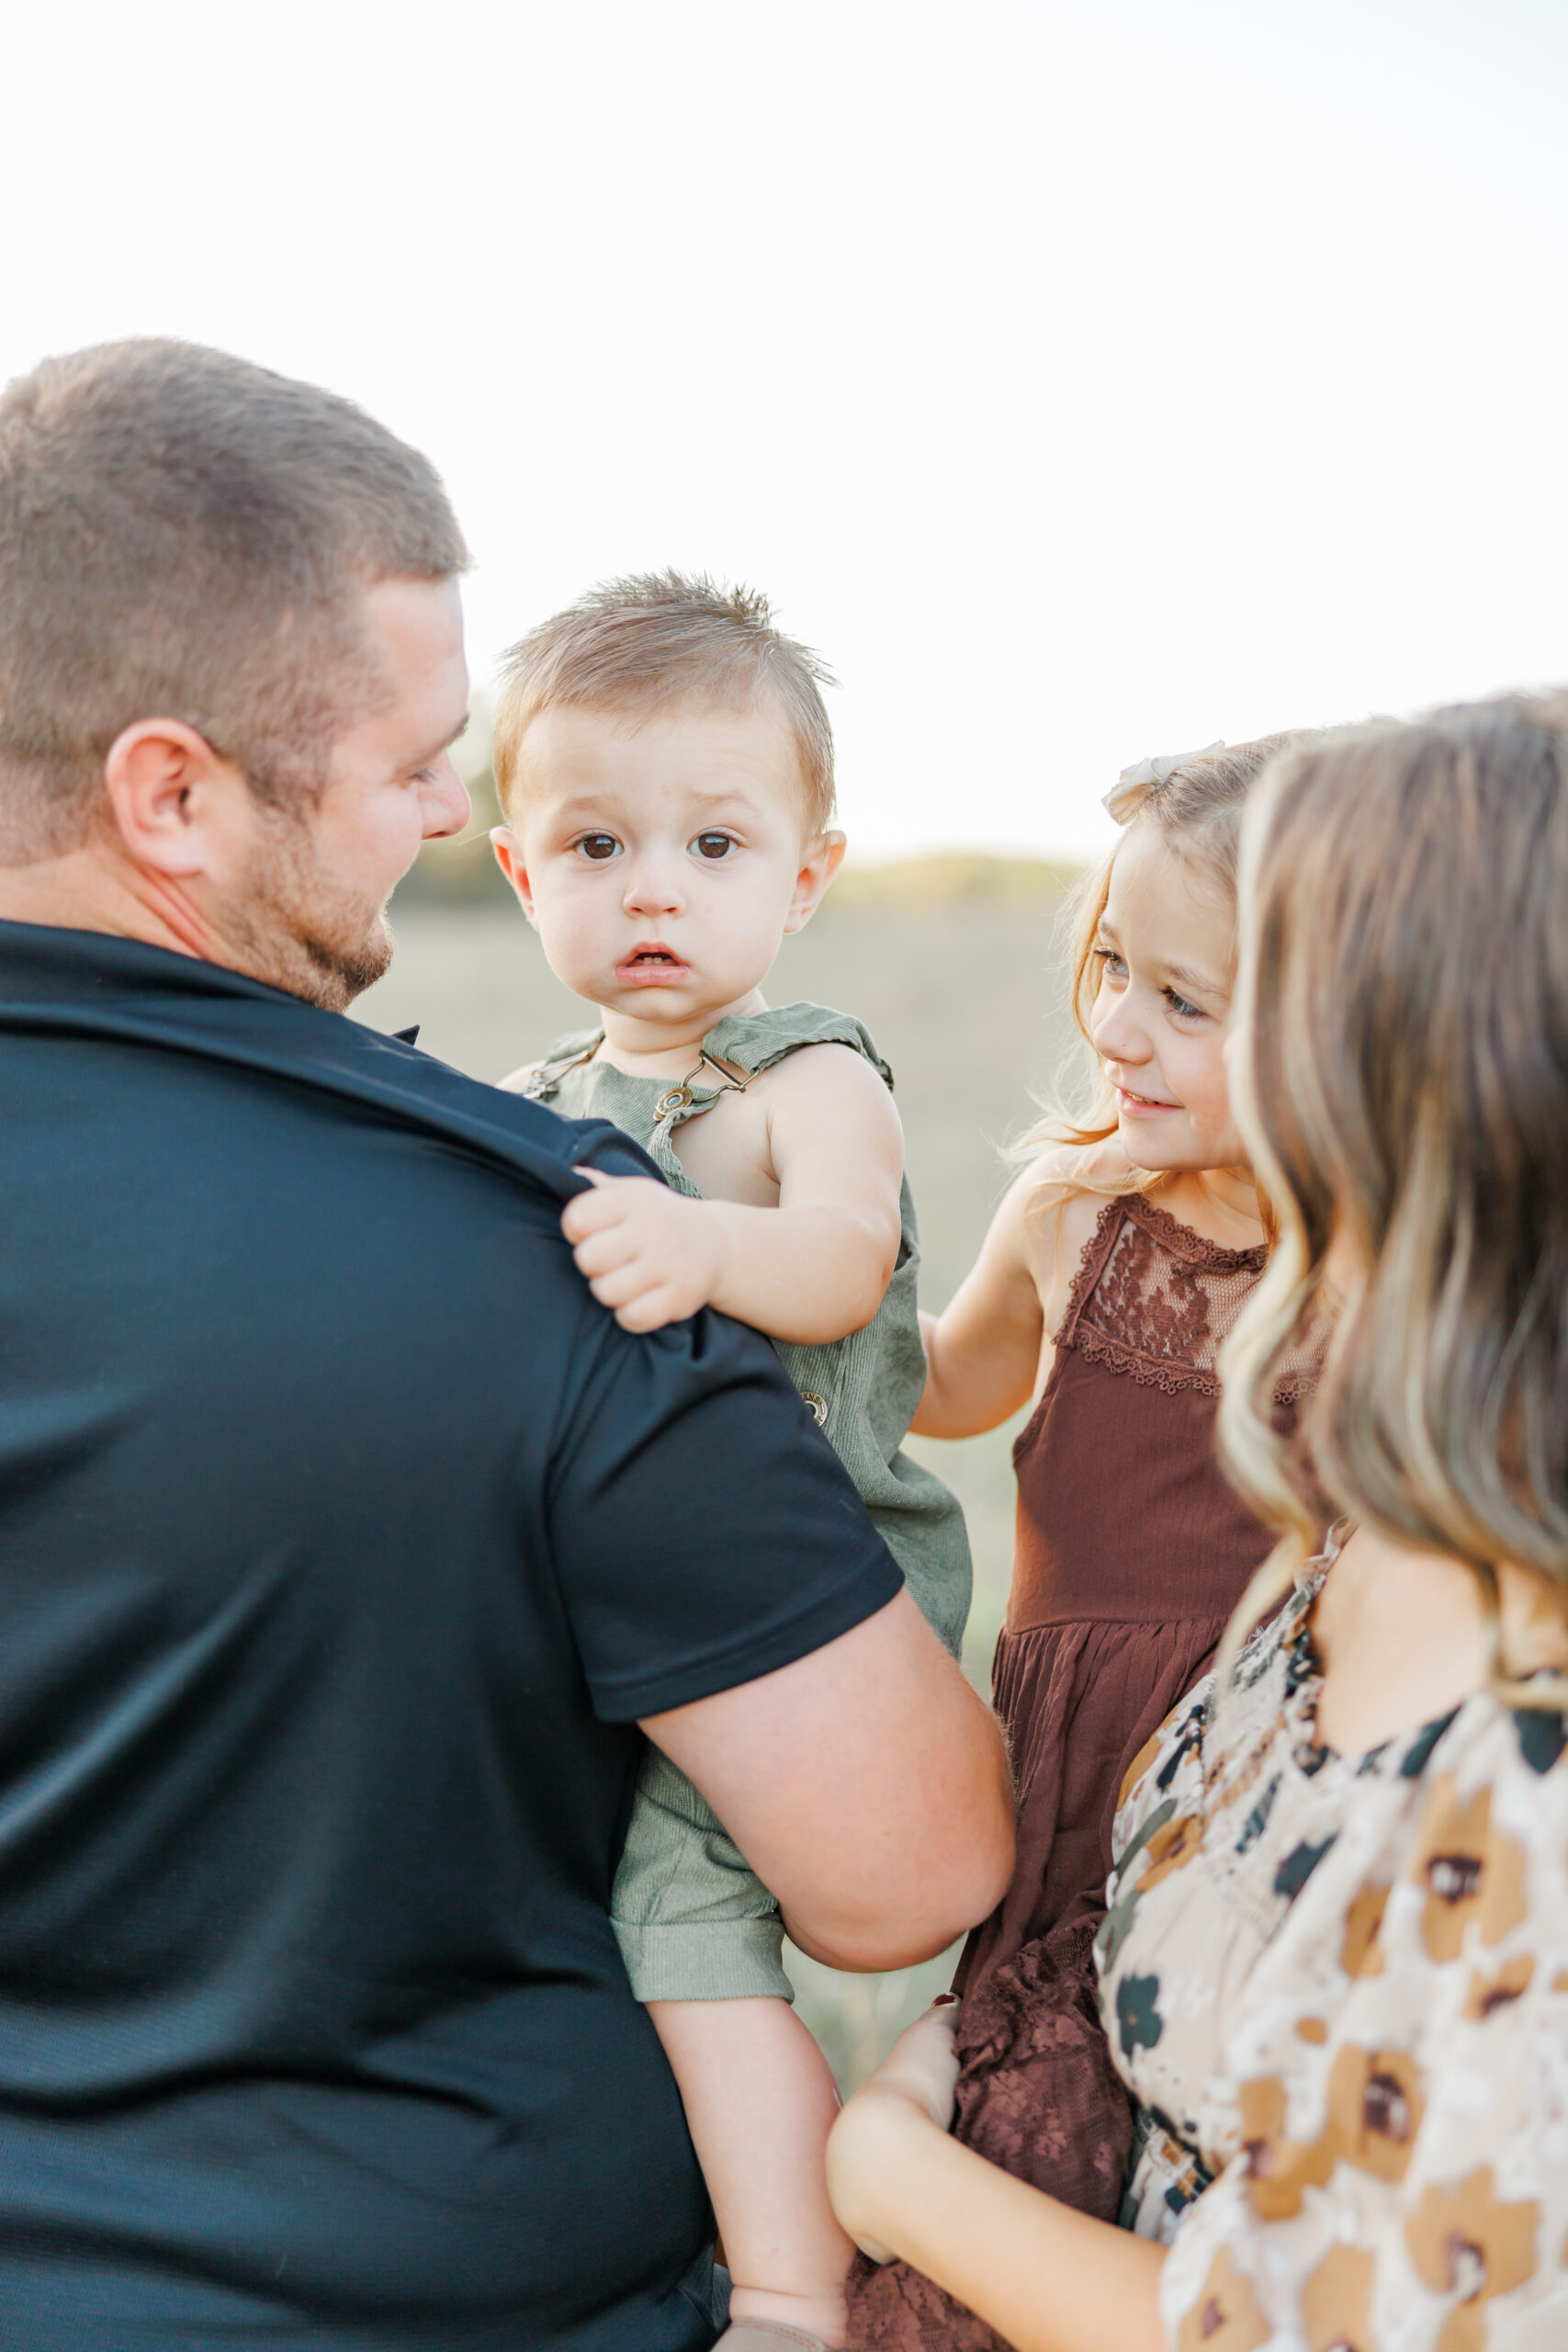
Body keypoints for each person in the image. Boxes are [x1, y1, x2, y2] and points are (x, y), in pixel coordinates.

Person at [0, 340, 1014, 2352]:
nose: (454, 813)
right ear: (172, 793)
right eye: (407, 764)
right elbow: (904, 1869)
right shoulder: (547, 1247)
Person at [826, 696, 1568, 2350]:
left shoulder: (1521, 1750)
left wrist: (896, 2180)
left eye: (1219, 998)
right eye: (1119, 973)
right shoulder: (1357, 1547)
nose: (1130, 1036)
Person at [487, 572, 972, 2352]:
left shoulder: (800, 1077)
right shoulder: (531, 1096)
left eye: (711, 842)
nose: (653, 891)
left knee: (686, 1930)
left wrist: (699, 1248)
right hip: (617, 1594)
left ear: (803, 876)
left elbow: (841, 1260)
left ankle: (784, 2293)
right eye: (597, 845)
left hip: (809, 1584)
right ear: (522, 873)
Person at [849, 736, 1320, 2348]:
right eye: (1112, 967)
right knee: (1032, 2149)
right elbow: (942, 1385)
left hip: (1267, 1807)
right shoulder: (1076, 1214)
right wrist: (769, 1282)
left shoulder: (1386, 1275)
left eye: (1184, 1002)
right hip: (1073, 1802)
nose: (1116, 1027)